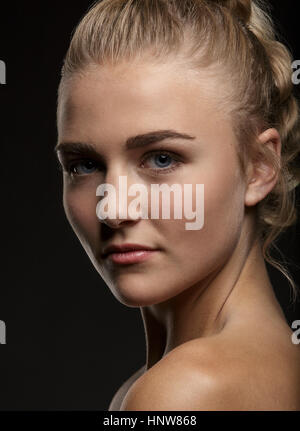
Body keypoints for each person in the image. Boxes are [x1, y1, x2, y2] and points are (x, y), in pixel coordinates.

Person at [55, 0, 300, 410]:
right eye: (85, 165)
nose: (113, 209)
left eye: (161, 158)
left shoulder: (185, 391)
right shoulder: (272, 364)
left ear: (260, 167)